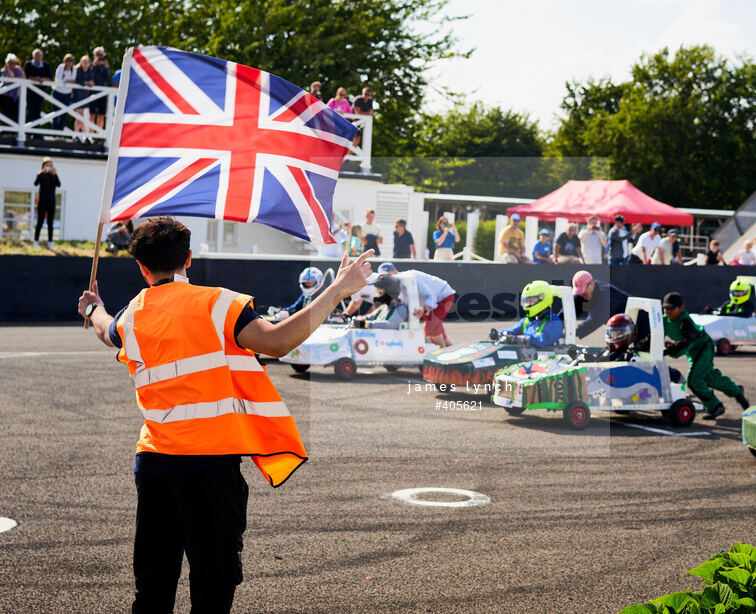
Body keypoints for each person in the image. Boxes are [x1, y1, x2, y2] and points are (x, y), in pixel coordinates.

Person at [76, 216, 372, 612]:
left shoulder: (133, 314)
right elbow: (278, 342)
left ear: (142, 267)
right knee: (213, 588)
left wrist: (93, 307)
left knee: (152, 586)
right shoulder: (217, 302)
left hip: (154, 465)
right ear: (189, 259)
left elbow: (105, 328)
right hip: (210, 471)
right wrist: (337, 290)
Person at [662, 291, 749, 420]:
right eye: (665, 308)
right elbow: (653, 334)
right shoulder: (664, 320)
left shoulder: (685, 321)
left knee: (693, 380)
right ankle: (736, 391)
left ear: (681, 308)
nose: (668, 311)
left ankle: (715, 406)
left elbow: (685, 343)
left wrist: (670, 350)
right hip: (694, 352)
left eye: (671, 308)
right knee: (711, 378)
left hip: (703, 348)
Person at [491, 280, 563, 348]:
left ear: (543, 299)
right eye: (526, 301)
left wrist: (520, 340)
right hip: (529, 357)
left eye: (531, 300)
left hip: (548, 358)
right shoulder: (527, 320)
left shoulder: (553, 321)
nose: (528, 304)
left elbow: (542, 340)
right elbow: (512, 332)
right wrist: (499, 334)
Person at [402, 267, 455, 347]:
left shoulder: (410, 278)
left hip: (443, 296)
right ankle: (452, 352)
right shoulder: (402, 280)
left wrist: (423, 309)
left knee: (430, 329)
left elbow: (431, 297)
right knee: (435, 331)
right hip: (436, 298)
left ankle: (443, 354)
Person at [571, 270, 632, 339]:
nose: (582, 295)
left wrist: (571, 333)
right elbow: (571, 307)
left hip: (637, 324)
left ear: (592, 284)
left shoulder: (606, 295)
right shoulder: (588, 291)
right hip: (620, 328)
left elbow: (595, 319)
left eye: (583, 292)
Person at [33, 157, 60, 247]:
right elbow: (36, 183)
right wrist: (41, 173)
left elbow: (58, 184)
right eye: (47, 165)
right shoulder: (41, 174)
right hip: (42, 201)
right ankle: (36, 240)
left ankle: (50, 241)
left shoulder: (53, 175)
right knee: (40, 221)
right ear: (43, 166)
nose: (49, 167)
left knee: (50, 222)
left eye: (50, 165)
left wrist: (55, 175)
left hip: (51, 201)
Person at [23, 48, 51, 126]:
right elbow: (25, 76)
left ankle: (36, 132)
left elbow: (49, 77)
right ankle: (27, 131)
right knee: (30, 110)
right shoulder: (28, 64)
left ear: (42, 56)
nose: (37, 57)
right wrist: (35, 79)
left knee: (38, 110)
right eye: (36, 55)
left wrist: (43, 79)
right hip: (29, 91)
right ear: (33, 56)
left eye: (39, 55)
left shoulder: (46, 65)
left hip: (40, 91)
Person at [52, 53, 77, 131]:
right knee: (55, 113)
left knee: (64, 114)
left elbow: (73, 80)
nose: (69, 62)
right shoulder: (60, 67)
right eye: (68, 60)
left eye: (71, 60)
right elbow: (57, 80)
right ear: (64, 61)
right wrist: (66, 82)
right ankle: (55, 133)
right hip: (57, 93)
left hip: (67, 94)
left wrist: (66, 82)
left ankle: (61, 133)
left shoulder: (74, 69)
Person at [73, 55, 94, 136]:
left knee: (79, 117)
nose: (85, 64)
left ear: (89, 63)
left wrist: (89, 83)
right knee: (80, 116)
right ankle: (85, 136)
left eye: (87, 62)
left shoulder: (89, 71)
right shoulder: (77, 70)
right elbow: (76, 81)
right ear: (81, 62)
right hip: (77, 95)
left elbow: (92, 82)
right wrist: (86, 83)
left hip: (85, 96)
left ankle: (76, 135)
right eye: (84, 62)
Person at [1, 54, 25, 121]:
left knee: (15, 114)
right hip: (5, 95)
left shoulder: (18, 69)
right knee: (6, 114)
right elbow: (8, 81)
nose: (13, 64)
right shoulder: (4, 70)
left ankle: (14, 131)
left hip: (16, 96)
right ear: (7, 63)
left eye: (14, 63)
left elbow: (23, 78)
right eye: (11, 63)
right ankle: (6, 130)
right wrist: (8, 69)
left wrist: (13, 79)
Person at [89, 47, 109, 129]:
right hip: (93, 93)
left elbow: (108, 78)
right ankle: (90, 135)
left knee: (101, 115)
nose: (100, 56)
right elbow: (89, 76)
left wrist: (106, 68)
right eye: (98, 54)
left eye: (101, 54)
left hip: (103, 93)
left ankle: (98, 136)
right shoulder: (90, 65)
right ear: (94, 55)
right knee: (92, 115)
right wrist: (94, 65)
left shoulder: (104, 66)